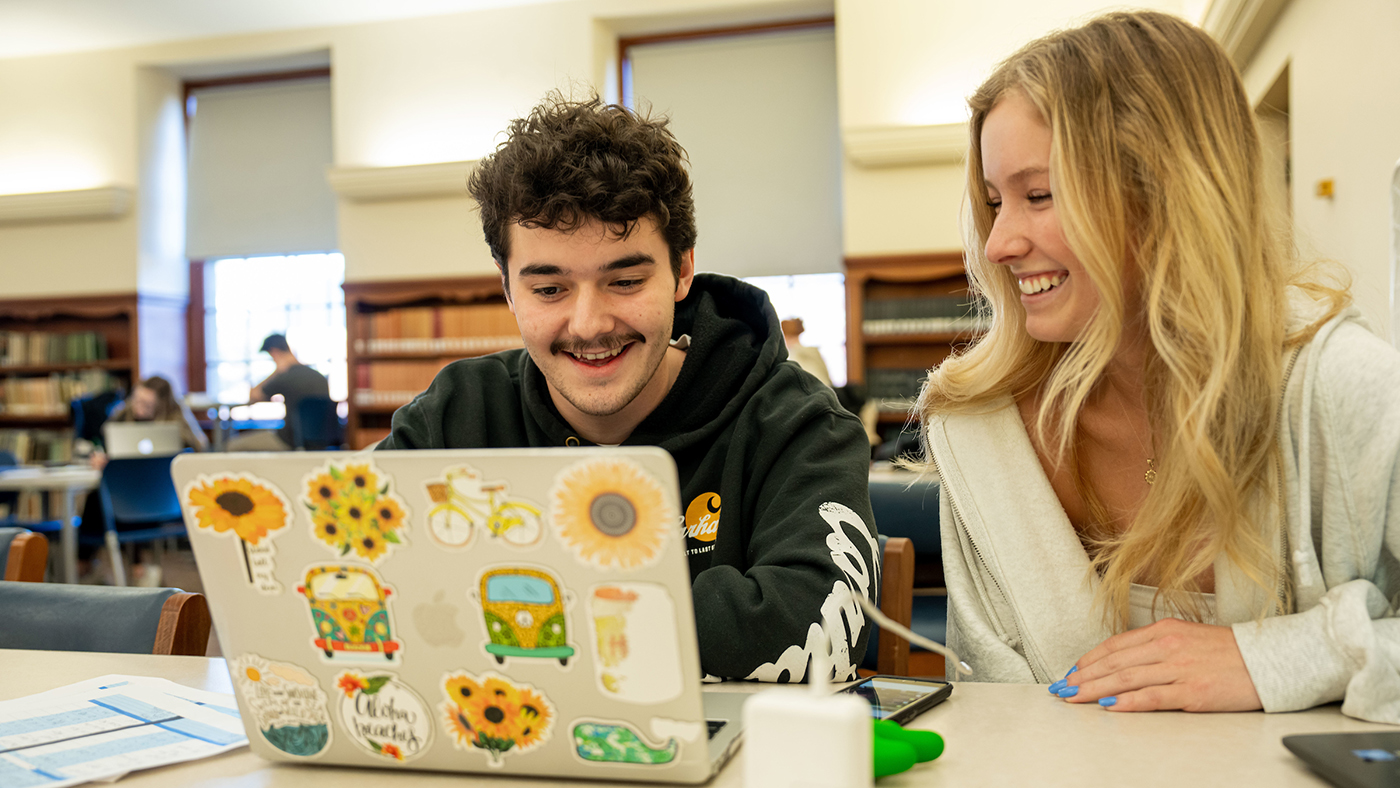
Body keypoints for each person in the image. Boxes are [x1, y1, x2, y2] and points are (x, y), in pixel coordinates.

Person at [917, 10, 1400, 722]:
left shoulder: (1338, 386)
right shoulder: (981, 432)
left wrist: (1274, 658)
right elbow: (999, 719)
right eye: (994, 203)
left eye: (1039, 195)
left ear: (1170, 188)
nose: (999, 244)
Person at [379, 94, 878, 682]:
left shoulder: (799, 427)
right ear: (508, 288)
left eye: (625, 280)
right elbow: (362, 589)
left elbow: (812, 630)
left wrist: (525, 620)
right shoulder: (452, 417)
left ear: (682, 270)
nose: (589, 325)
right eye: (548, 290)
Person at [82, 375, 208, 585]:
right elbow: (105, 447)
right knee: (108, 496)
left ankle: (87, 563)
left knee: (111, 499)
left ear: (161, 405)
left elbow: (193, 460)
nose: (139, 408)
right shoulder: (121, 417)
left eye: (147, 404)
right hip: (129, 498)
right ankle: (136, 567)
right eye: (137, 401)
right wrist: (105, 460)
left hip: (165, 500)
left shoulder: (179, 429)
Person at [228, 334, 331, 451]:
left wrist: (276, 372)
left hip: (290, 441)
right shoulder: (318, 376)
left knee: (233, 446)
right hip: (321, 442)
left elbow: (254, 395)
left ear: (275, 352)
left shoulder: (286, 376)